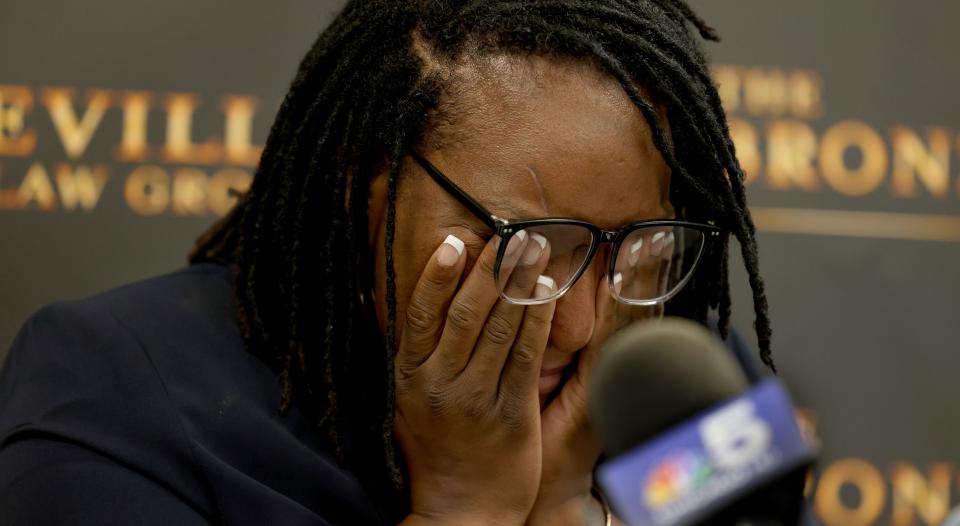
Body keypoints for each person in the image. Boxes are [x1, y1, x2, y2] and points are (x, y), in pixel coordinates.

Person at [0, 1, 777, 524]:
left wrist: (571, 501)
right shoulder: (115, 388)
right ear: (358, 179)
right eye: (523, 248)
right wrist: (464, 508)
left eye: (631, 244)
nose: (576, 324)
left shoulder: (671, 378)